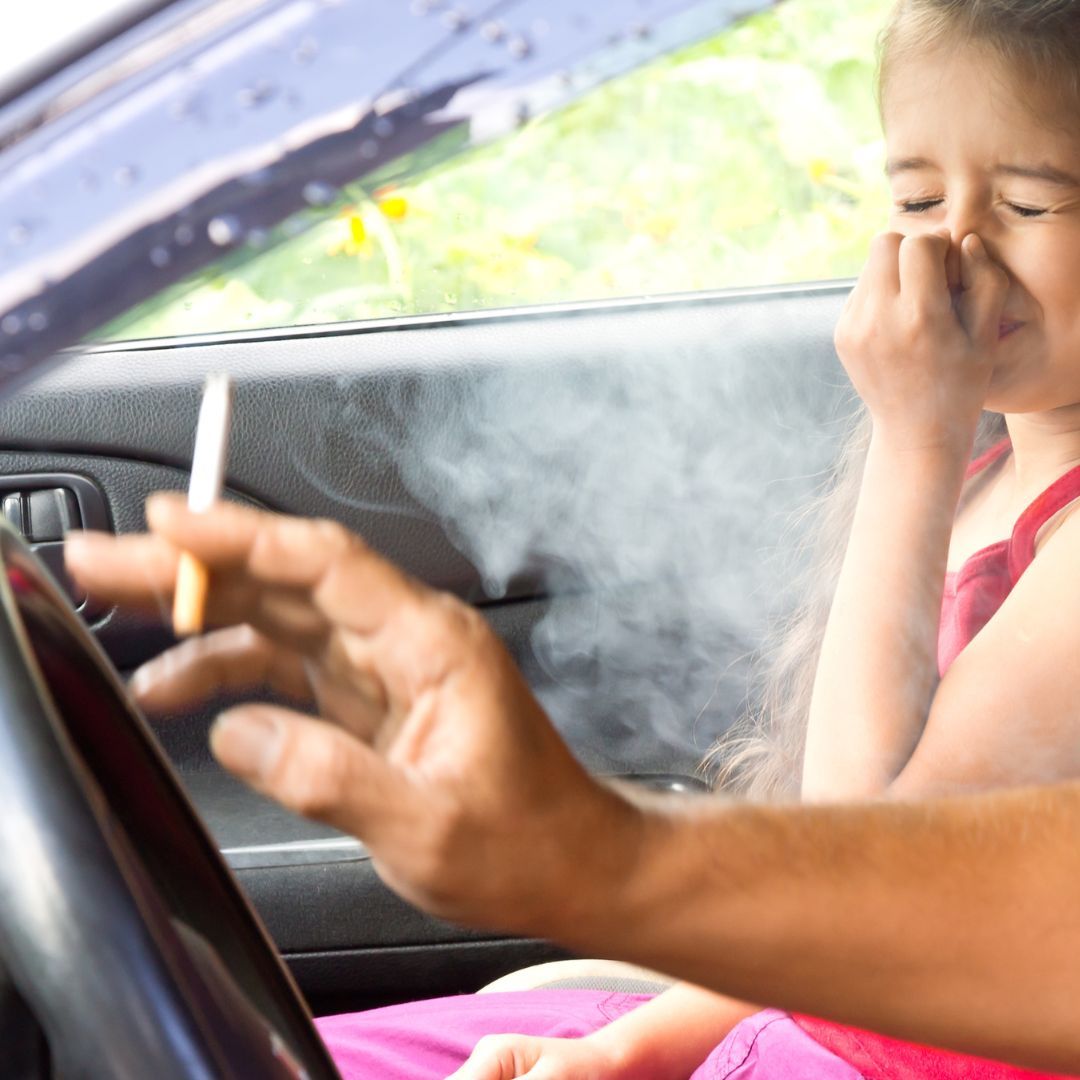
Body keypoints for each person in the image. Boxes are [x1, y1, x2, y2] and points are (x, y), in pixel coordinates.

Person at [62, 0, 1080, 1075]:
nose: (955, 246)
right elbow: (792, 895)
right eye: (916, 196)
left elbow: (855, 879)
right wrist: (636, 1046)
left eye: (1029, 201)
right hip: (785, 1023)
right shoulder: (980, 475)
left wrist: (911, 435)